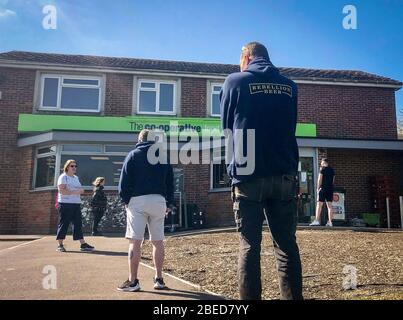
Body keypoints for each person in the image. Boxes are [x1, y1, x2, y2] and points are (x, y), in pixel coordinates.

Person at [220, 42, 303, 300]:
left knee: (249, 246)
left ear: (246, 58)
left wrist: (231, 173)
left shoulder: (235, 82)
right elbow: (291, 129)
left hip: (248, 174)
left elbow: (227, 130)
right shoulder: (290, 86)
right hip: (283, 173)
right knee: (286, 245)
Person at [117, 129, 174, 292]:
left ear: (140, 139)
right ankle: (159, 279)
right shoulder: (163, 157)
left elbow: (123, 182)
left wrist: (126, 200)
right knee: (158, 241)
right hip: (159, 201)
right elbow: (170, 182)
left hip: (138, 201)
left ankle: (133, 281)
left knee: (135, 241)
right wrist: (169, 202)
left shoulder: (133, 155)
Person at [56, 159, 94, 252]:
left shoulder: (76, 178)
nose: (74, 168)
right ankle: (60, 245)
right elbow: (62, 191)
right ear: (67, 167)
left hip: (76, 203)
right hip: (65, 204)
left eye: (75, 166)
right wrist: (75, 191)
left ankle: (83, 244)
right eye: (72, 166)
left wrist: (79, 191)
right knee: (64, 224)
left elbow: (81, 189)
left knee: (78, 224)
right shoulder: (63, 177)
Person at [310, 159, 336, 227]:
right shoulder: (332, 170)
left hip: (323, 189)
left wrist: (317, 189)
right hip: (330, 189)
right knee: (329, 206)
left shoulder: (322, 169)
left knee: (319, 205)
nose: (321, 164)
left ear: (324, 163)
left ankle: (316, 221)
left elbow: (319, 180)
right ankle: (330, 222)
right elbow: (333, 181)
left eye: (321, 163)